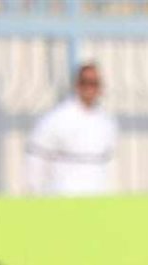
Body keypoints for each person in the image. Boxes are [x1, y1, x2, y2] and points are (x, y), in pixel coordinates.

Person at [24, 63, 117, 195]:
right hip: (64, 197)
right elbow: (35, 157)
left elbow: (109, 163)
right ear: (77, 85)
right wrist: (35, 191)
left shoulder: (106, 122)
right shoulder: (56, 118)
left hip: (97, 197)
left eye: (94, 83)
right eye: (85, 82)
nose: (90, 88)